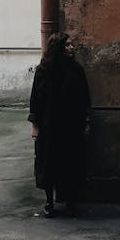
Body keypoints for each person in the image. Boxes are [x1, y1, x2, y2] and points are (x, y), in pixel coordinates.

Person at [28, 32, 92, 217]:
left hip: (71, 125)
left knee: (71, 163)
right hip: (49, 126)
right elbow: (35, 99)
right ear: (59, 48)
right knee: (49, 163)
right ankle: (49, 202)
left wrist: (86, 121)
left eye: (71, 45)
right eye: (68, 45)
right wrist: (35, 125)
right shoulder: (44, 71)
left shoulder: (76, 70)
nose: (72, 48)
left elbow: (84, 97)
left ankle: (70, 201)